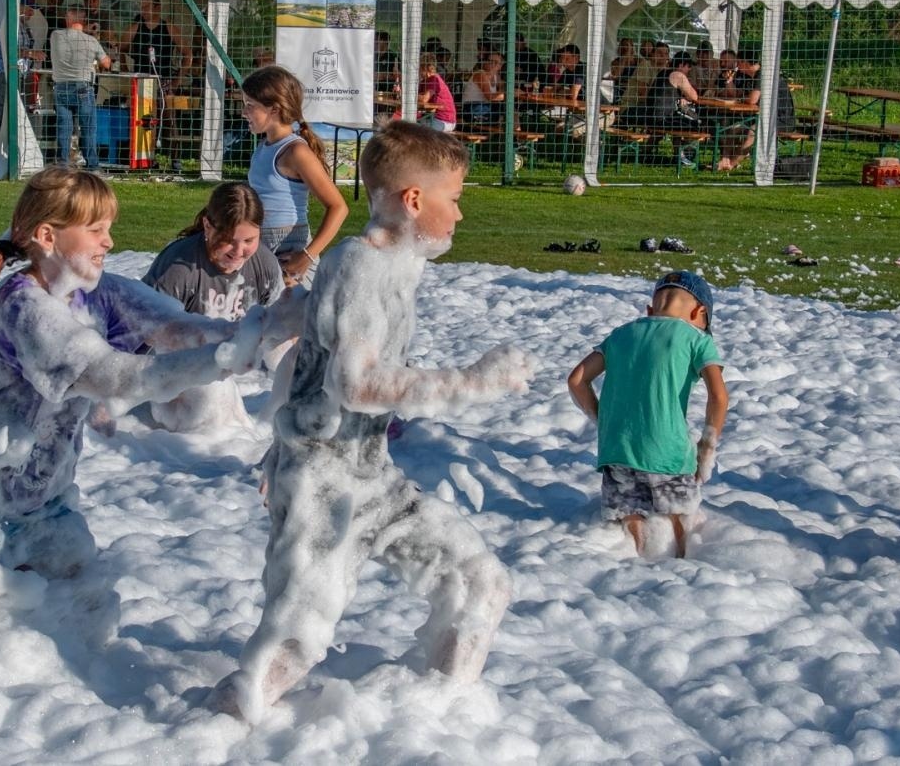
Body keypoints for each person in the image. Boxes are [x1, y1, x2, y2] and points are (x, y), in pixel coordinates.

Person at [212, 122, 535, 722]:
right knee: (290, 648)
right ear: (414, 200)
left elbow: (315, 323)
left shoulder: (386, 266)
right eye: (455, 199)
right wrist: (472, 382)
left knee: (478, 583)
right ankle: (212, 738)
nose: (460, 216)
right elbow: (354, 384)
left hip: (371, 479)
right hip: (322, 486)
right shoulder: (362, 264)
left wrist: (278, 323)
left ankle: (444, 716)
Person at [0, 168, 267, 627]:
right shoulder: (23, 306)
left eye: (109, 230)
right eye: (96, 230)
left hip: (44, 501)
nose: (109, 242)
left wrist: (260, 333)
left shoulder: (96, 294)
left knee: (75, 603)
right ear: (48, 236)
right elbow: (113, 377)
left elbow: (178, 329)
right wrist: (220, 359)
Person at [568, 270, 728, 557]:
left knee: (632, 528)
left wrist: (602, 419)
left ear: (650, 310)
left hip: (616, 451)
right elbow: (718, 397)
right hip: (669, 453)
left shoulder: (620, 335)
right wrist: (707, 448)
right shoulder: (697, 339)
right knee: (679, 524)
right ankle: (682, 568)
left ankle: (636, 569)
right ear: (699, 312)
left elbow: (577, 379)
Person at [142, 183, 286, 432]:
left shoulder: (264, 263)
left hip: (238, 372)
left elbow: (282, 325)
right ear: (208, 226)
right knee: (213, 397)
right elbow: (140, 335)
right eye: (229, 241)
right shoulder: (178, 268)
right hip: (177, 380)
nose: (239, 252)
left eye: (249, 240)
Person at [243, 65, 350, 287]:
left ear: (274, 109)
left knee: (292, 321)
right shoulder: (264, 147)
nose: (244, 112)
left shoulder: (296, 152)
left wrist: (307, 257)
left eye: (250, 106)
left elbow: (339, 207)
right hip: (260, 247)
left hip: (289, 251)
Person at [49, 3, 112, 170]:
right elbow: (106, 63)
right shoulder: (91, 40)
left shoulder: (55, 35)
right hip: (83, 87)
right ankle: (92, 165)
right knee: (88, 127)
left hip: (61, 86)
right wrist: (93, 34)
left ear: (68, 18)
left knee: (64, 127)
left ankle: (62, 163)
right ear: (84, 20)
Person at [116, 0, 191, 85]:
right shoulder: (134, 29)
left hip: (163, 81)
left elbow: (188, 54)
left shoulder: (170, 29)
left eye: (147, 7)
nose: (143, 11)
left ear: (157, 8)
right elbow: (119, 49)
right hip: (140, 81)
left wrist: (176, 82)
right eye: (142, 7)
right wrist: (126, 71)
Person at [417, 54, 457, 133]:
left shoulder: (434, 79)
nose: (418, 70)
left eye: (419, 68)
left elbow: (424, 99)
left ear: (425, 67)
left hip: (445, 120)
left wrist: (410, 95)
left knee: (417, 131)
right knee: (411, 125)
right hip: (434, 118)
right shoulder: (425, 81)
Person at [462, 51, 504, 123]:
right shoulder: (480, 74)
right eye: (490, 61)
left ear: (500, 66)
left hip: (485, 107)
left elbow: (503, 86)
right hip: (473, 109)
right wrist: (509, 94)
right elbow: (490, 96)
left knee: (511, 111)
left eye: (496, 62)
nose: (493, 64)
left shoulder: (496, 76)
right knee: (506, 111)